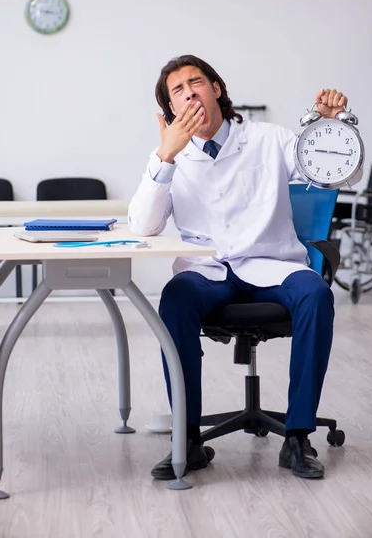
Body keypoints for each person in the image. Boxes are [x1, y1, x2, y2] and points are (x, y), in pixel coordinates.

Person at [128, 54, 356, 481]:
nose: (189, 91)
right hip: (207, 271)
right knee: (174, 299)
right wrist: (166, 155)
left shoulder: (271, 139)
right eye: (177, 90)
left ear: (216, 89)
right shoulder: (168, 157)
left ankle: (298, 437)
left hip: (272, 263)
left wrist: (331, 127)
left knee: (316, 294)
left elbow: (337, 176)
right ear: (171, 110)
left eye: (196, 82)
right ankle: (188, 439)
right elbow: (143, 226)